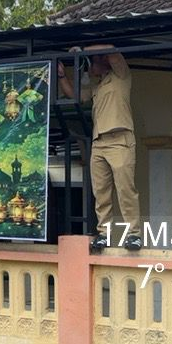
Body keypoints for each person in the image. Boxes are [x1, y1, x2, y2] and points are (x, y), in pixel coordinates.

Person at [58, 45, 141, 252]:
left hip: (119, 138)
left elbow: (112, 49)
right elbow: (73, 94)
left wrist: (83, 50)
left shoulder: (121, 75)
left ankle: (134, 234)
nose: (89, 67)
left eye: (92, 61)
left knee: (125, 188)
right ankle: (103, 233)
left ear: (102, 61)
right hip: (99, 141)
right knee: (101, 191)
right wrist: (61, 76)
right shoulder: (98, 86)